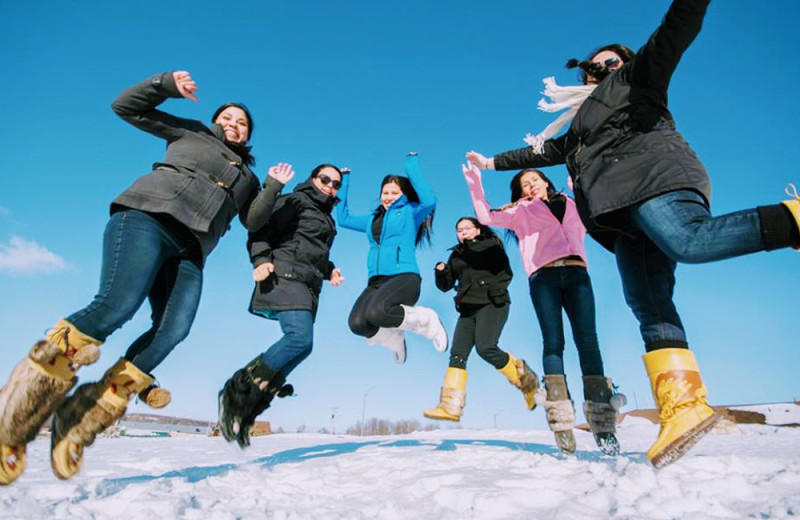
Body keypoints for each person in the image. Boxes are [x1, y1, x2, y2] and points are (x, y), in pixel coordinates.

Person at [466, 0, 800, 467]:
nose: (598, 70)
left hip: (654, 182)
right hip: (619, 218)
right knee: (649, 304)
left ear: (623, 64)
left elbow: (675, 30)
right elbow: (537, 154)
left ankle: (793, 218)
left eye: (609, 62)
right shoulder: (579, 128)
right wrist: (493, 162)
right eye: (591, 67)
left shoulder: (637, 79)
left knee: (690, 240)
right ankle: (682, 406)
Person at [0, 71, 293, 484]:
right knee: (117, 305)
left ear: (247, 136)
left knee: (173, 329)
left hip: (191, 250)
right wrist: (166, 85)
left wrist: (273, 187)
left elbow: (253, 222)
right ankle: (15, 417)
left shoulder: (248, 178)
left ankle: (80, 419)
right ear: (214, 121)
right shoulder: (189, 133)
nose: (233, 124)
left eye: (241, 123)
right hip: (146, 220)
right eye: (227, 117)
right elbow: (125, 107)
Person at [463, 164, 622, 455]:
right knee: (554, 343)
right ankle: (561, 421)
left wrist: (581, 187)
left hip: (577, 274)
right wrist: (476, 184)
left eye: (535, 180)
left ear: (546, 181)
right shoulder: (521, 212)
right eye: (525, 184)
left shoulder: (572, 204)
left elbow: (596, 210)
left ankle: (603, 425)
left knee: (589, 343)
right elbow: (485, 216)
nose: (531, 185)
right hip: (543, 277)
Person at [218, 164, 344, 448]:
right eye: (325, 179)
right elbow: (260, 229)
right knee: (299, 337)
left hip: (307, 283)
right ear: (312, 179)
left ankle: (250, 407)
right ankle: (237, 391)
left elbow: (309, 249)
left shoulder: (325, 215)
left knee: (304, 345)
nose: (330, 186)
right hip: (285, 275)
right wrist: (261, 260)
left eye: (336, 184)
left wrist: (329, 269)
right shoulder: (296, 200)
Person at [423, 217, 539, 423]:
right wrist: (441, 272)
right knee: (457, 355)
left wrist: (492, 290)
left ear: (478, 229)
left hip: (492, 304)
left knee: (485, 348)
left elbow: (505, 273)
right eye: (459, 230)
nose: (463, 232)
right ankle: (450, 406)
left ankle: (524, 380)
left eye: (467, 228)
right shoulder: (456, 255)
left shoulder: (490, 246)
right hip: (467, 309)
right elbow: (446, 286)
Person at [336, 152, 447, 364]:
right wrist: (344, 181)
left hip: (404, 277)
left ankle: (427, 322)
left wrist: (410, 164)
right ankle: (394, 338)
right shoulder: (371, 220)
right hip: (376, 281)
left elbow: (429, 200)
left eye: (394, 192)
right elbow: (343, 219)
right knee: (358, 324)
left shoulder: (411, 212)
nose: (388, 196)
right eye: (385, 192)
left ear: (403, 194)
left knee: (378, 313)